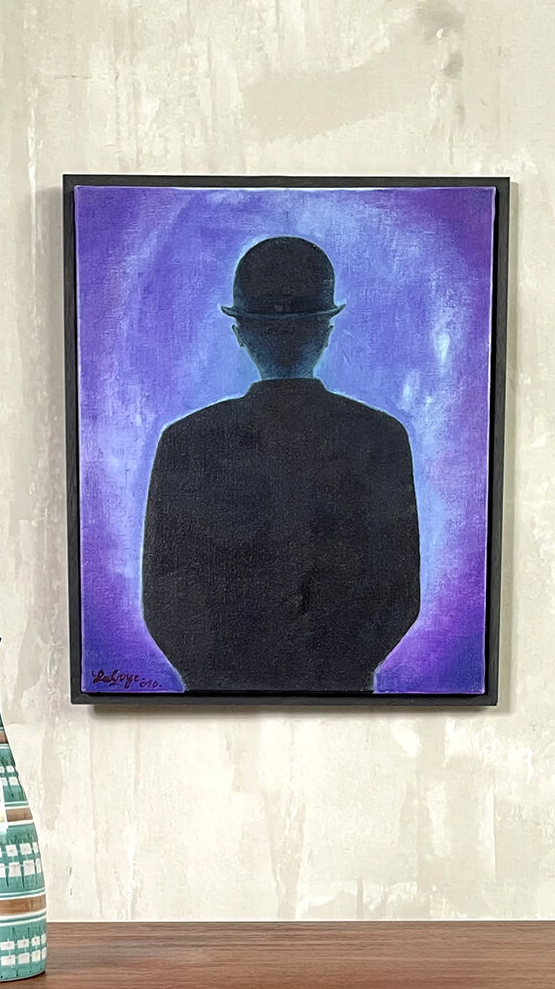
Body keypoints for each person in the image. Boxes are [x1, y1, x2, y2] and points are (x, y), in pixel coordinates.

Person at [141, 236, 421, 694]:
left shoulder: (185, 442)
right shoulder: (381, 438)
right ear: (325, 331)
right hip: (341, 701)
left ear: (241, 334)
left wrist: (221, 680)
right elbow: (398, 598)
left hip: (217, 702)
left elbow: (165, 602)